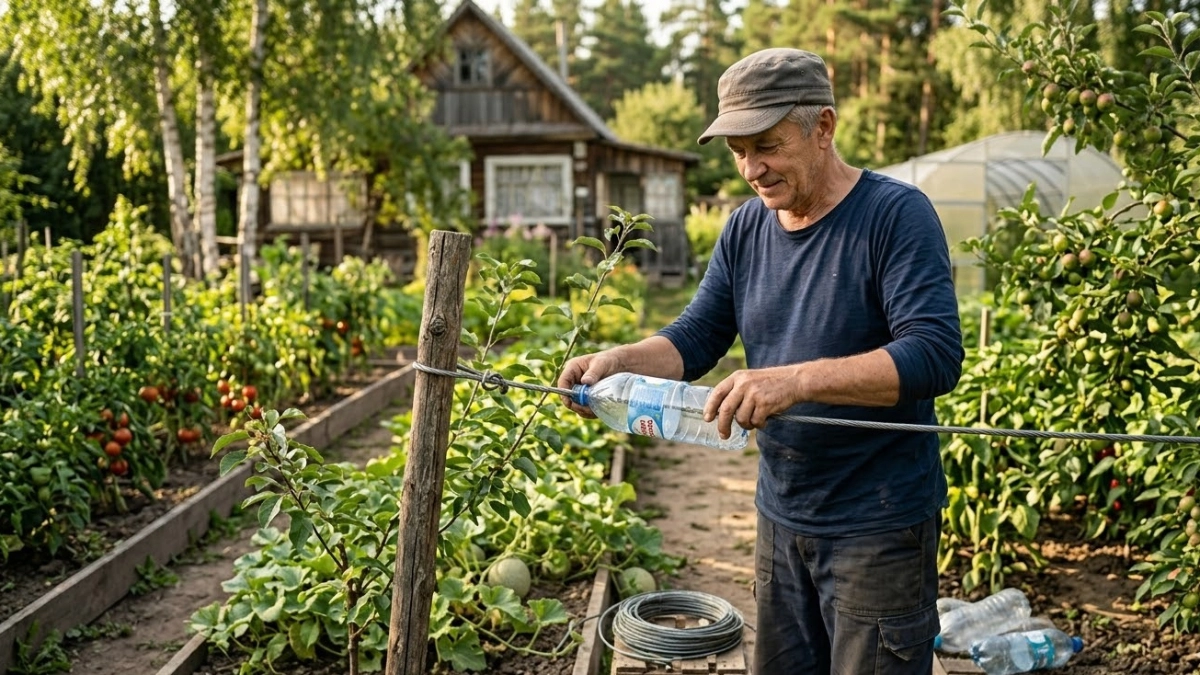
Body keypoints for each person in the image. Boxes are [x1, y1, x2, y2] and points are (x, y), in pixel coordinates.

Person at [558, 48, 964, 674]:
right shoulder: (747, 227)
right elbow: (697, 337)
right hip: (781, 513)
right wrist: (623, 361)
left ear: (823, 128)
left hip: (878, 525)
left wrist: (795, 381)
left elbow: (933, 355)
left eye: (767, 146)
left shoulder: (894, 216)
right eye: (739, 152)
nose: (752, 168)